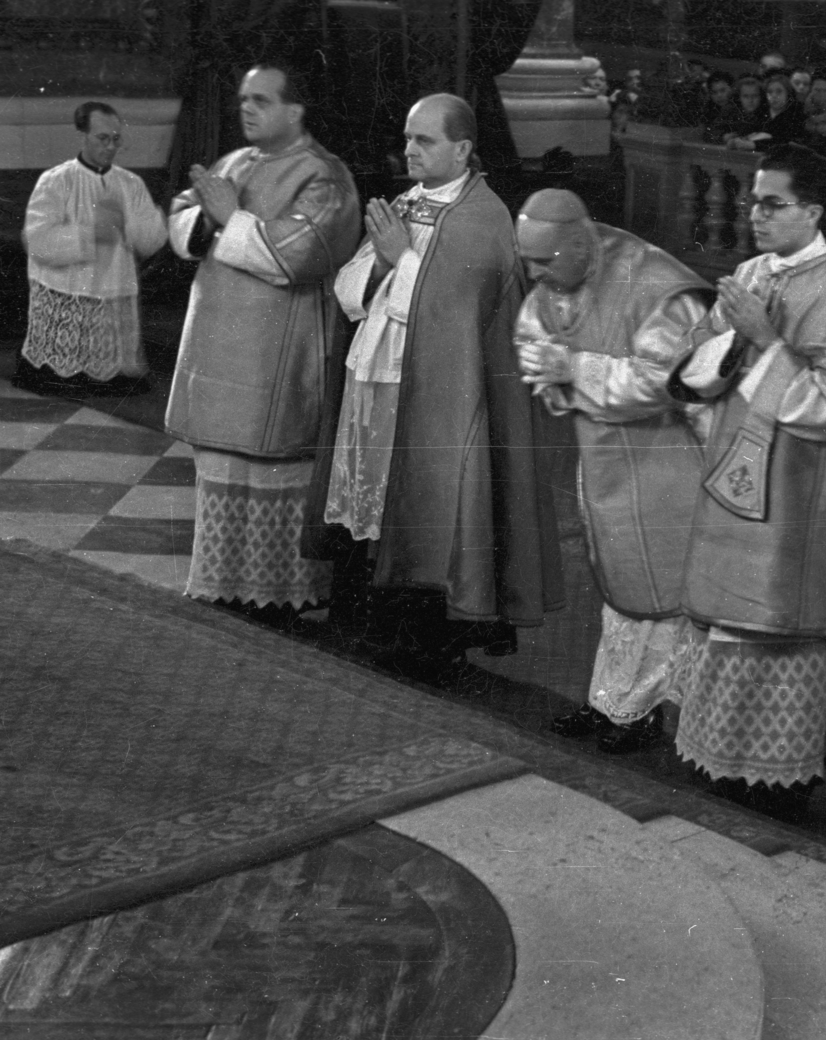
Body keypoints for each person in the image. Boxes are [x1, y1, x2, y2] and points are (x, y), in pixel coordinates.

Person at [668, 143, 826, 816]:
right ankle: (724, 762)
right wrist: (736, 343)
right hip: (737, 482)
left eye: (772, 204)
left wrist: (768, 344)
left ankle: (782, 775)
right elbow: (698, 366)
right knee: (727, 621)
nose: (756, 215)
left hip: (805, 494)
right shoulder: (749, 271)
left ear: (814, 211)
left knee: (779, 623)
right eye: (753, 201)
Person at [318, 92, 561, 672]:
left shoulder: (485, 216)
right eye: (407, 137)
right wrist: (381, 262)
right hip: (379, 374)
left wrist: (402, 259)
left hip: (442, 395)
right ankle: (371, 621)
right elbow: (349, 292)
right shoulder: (406, 202)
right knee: (378, 496)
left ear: (463, 148)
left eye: (424, 140)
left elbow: (456, 312)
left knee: (430, 504)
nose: (410, 149)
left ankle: (425, 640)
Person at [514, 189, 714, 753]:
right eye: (525, 260)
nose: (533, 274)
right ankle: (613, 701)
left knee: (664, 586)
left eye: (543, 262)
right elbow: (535, 333)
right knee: (625, 585)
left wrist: (571, 367)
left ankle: (648, 711)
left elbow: (669, 380)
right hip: (606, 454)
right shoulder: (559, 270)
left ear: (581, 244)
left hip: (669, 455)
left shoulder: (654, 286)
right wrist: (548, 373)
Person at [165, 63, 362, 619]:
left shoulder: (324, 175)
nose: (246, 109)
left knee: (272, 466)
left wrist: (230, 216)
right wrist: (207, 219)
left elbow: (298, 255)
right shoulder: (233, 162)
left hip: (279, 353)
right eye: (243, 99)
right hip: (220, 351)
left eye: (261, 100)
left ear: (295, 110)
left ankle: (275, 595)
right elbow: (182, 216)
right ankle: (221, 584)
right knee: (223, 468)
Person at [18, 101, 167, 396]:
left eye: (116, 139)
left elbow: (153, 240)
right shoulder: (56, 181)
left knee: (118, 383)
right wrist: (89, 234)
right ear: (81, 136)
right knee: (61, 381)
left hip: (112, 285)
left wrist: (128, 226)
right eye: (102, 138)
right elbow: (36, 241)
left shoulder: (131, 184)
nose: (110, 146)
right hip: (67, 286)